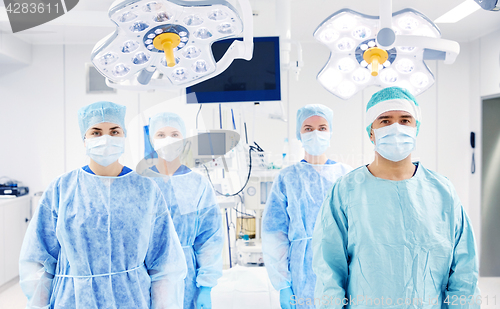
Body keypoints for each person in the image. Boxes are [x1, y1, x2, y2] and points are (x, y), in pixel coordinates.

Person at [312, 87, 480, 308]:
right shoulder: (345, 192)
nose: (396, 127)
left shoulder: (443, 192)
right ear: (370, 131)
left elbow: (464, 273)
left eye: (405, 120)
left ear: (416, 128)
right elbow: (329, 272)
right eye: (385, 121)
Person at [19, 101, 187, 309]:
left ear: (123, 137)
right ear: (84, 140)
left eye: (114, 132)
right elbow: (38, 261)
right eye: (96, 133)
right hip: (73, 302)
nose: (106, 139)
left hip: (133, 301)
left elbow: (164, 264)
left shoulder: (146, 190)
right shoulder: (62, 189)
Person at [262, 104, 353, 309]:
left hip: (341, 268)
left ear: (330, 132)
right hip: (301, 273)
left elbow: (358, 230)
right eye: (308, 128)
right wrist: (283, 285)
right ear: (299, 134)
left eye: (322, 128)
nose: (315, 133)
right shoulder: (288, 177)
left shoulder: (346, 175)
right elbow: (275, 234)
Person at [145, 112, 224, 309]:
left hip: (186, 280)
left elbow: (209, 238)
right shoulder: (141, 183)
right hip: (146, 277)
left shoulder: (199, 185)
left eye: (175, 134)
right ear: (151, 139)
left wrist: (205, 286)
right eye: (161, 135)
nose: (168, 140)